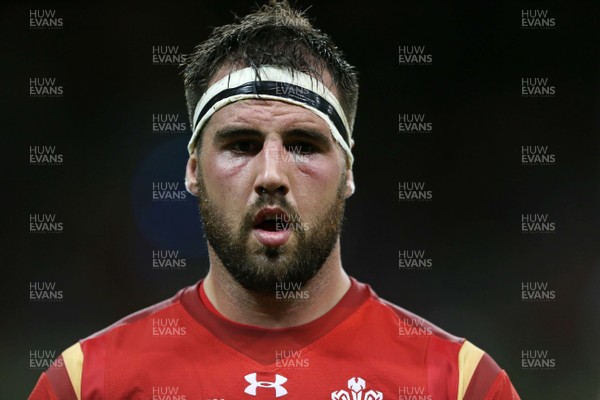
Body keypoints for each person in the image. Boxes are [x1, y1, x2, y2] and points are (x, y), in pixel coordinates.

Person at [30, 1, 520, 399]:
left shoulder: (458, 384)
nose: (270, 175)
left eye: (303, 145)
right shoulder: (86, 384)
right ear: (194, 170)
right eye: (241, 145)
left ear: (348, 172)